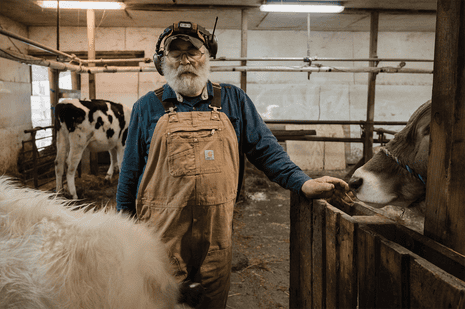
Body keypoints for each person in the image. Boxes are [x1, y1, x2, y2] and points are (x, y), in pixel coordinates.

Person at [116, 21, 349, 309]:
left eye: (194, 51)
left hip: (217, 238)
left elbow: (266, 150)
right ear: (161, 62)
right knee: (162, 302)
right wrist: (122, 238)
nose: (185, 60)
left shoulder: (232, 100)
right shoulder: (146, 107)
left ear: (207, 56)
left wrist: (301, 181)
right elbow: (128, 178)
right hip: (160, 240)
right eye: (175, 54)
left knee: (213, 301)